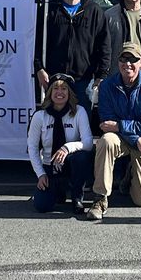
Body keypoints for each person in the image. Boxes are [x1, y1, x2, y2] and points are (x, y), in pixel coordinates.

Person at [87, 42, 141, 221]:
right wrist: (136, 137)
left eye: (133, 59)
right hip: (127, 139)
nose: (127, 63)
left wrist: (122, 128)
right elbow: (106, 122)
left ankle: (130, 175)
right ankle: (100, 199)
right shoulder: (107, 86)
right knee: (106, 141)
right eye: (123, 58)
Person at [34, 0, 110, 110]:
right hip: (55, 80)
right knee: (54, 125)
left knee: (81, 126)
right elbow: (36, 41)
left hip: (83, 80)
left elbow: (104, 45)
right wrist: (39, 69)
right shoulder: (48, 10)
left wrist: (101, 75)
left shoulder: (94, 11)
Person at [27, 74, 94, 214]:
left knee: (81, 157)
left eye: (64, 88)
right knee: (42, 206)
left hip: (70, 165)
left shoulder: (79, 112)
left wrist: (67, 147)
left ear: (70, 93)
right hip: (49, 166)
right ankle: (58, 191)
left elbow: (88, 143)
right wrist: (40, 174)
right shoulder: (39, 116)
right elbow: (32, 147)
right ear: (49, 92)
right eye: (55, 88)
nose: (60, 92)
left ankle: (77, 197)